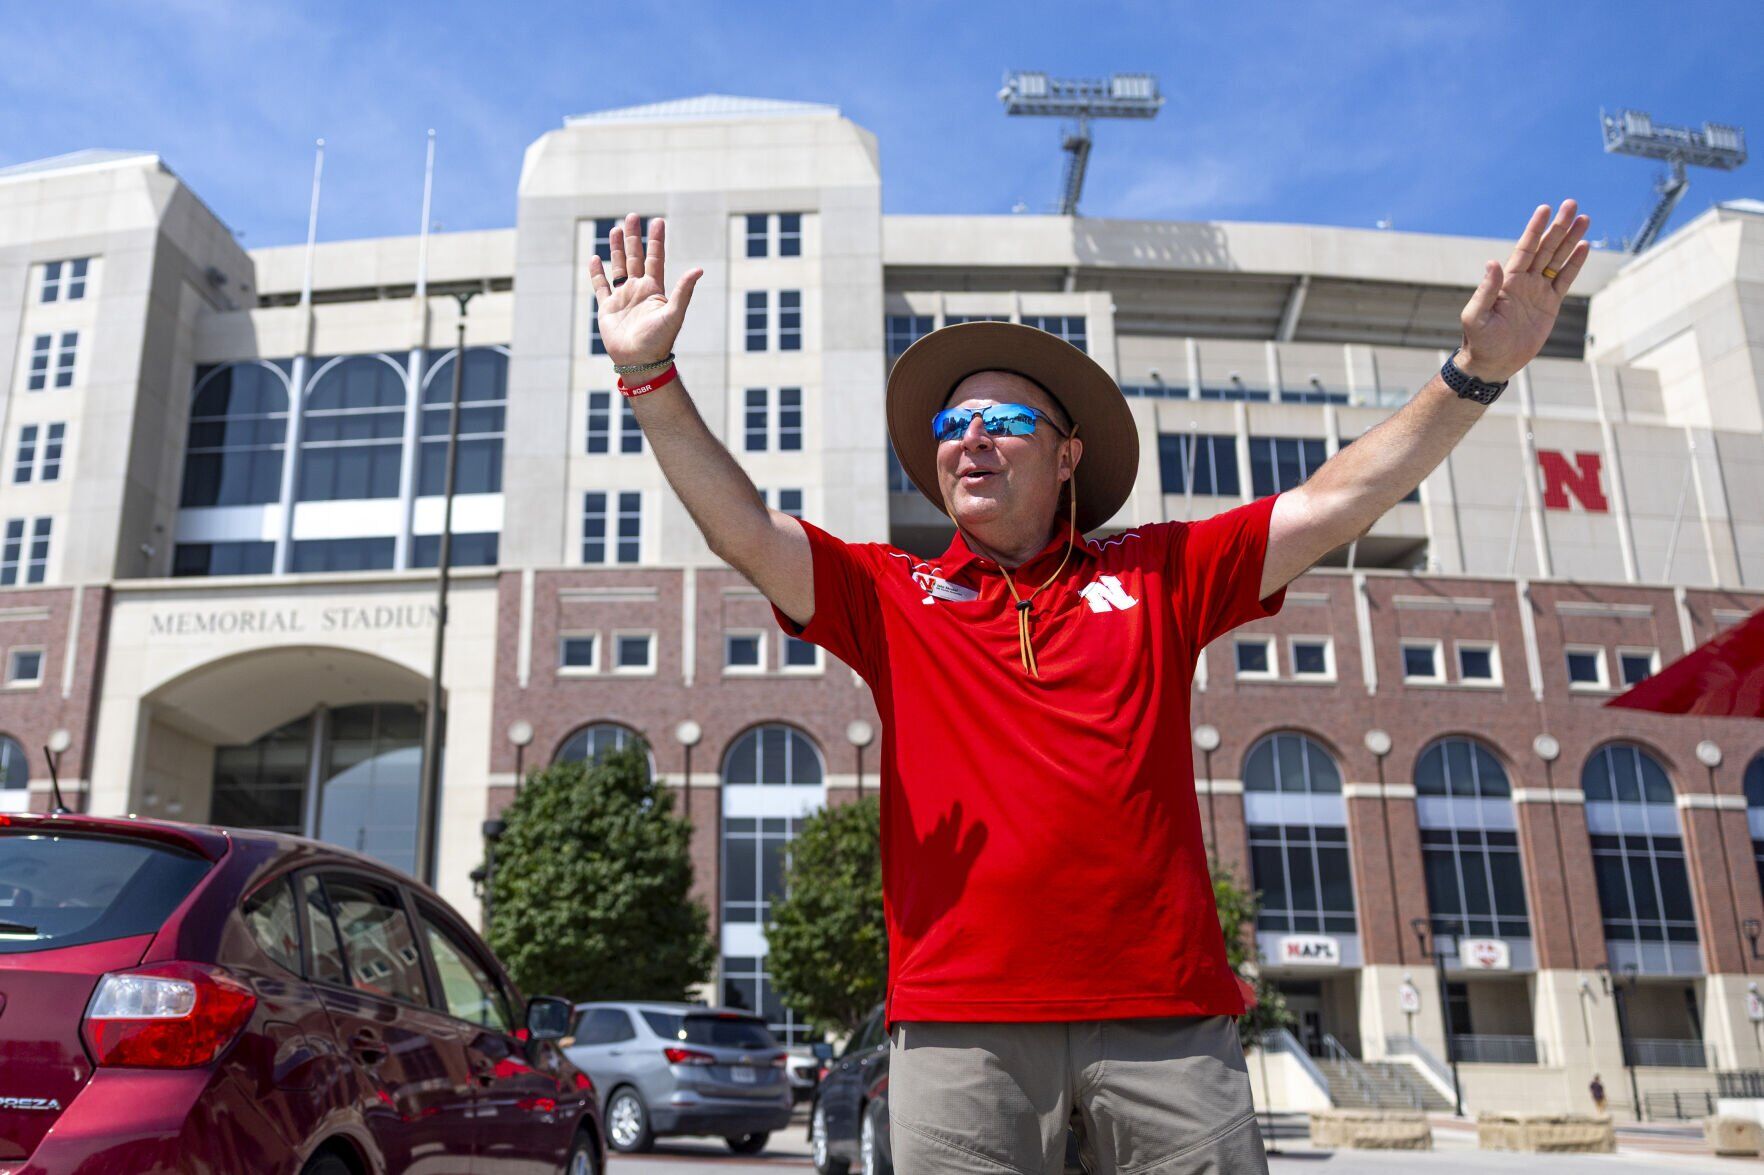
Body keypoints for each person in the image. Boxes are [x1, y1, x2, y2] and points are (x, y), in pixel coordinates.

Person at [590, 203, 1591, 1174]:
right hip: (959, 1025)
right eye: (954, 421)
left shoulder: (1160, 570)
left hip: (1164, 1020)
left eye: (1005, 420)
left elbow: (1336, 499)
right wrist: (647, 372)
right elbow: (744, 529)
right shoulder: (891, 591)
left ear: (1068, 454)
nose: (970, 438)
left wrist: (1475, 374)